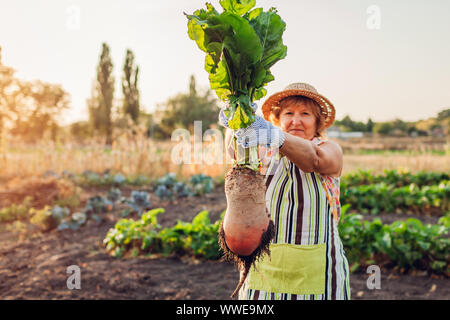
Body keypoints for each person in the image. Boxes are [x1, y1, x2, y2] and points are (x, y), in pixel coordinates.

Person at [219, 82, 351, 300]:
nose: (296, 120)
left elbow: (314, 159)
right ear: (277, 119)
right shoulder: (263, 152)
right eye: (289, 113)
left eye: (305, 114)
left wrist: (274, 136)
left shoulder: (329, 149)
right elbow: (235, 150)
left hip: (317, 273)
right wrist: (234, 122)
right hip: (265, 272)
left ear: (318, 121)